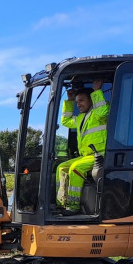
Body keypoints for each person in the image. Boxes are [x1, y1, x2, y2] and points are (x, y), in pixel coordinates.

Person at [56, 79, 110, 212]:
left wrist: (97, 91)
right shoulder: (80, 118)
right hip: (86, 156)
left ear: (91, 100)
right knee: (61, 167)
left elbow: (103, 112)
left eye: (81, 101)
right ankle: (61, 203)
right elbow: (66, 121)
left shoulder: (99, 113)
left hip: (100, 155)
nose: (78, 104)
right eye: (77, 102)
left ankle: (73, 206)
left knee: (75, 168)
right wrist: (69, 101)